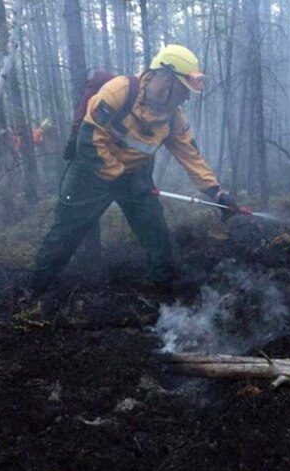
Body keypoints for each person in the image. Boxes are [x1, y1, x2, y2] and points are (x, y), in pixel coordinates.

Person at [27, 44, 240, 294]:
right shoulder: (119, 92)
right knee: (64, 235)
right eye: (183, 90)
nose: (186, 97)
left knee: (156, 235)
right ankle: (32, 293)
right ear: (166, 79)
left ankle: (168, 295)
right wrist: (120, 177)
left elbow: (191, 157)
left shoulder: (174, 117)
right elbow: (89, 141)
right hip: (90, 173)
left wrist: (216, 193)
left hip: (135, 177)